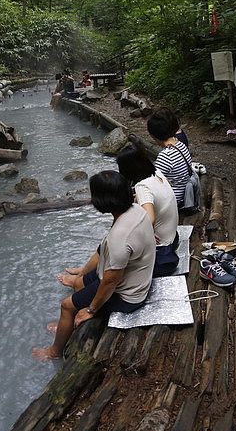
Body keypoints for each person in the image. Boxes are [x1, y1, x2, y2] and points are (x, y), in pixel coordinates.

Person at [32, 171, 156, 361]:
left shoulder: (120, 237)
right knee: (78, 284)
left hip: (127, 295)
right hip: (133, 278)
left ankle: (53, 352)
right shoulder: (136, 210)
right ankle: (65, 325)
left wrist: (91, 310)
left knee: (66, 306)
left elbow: (111, 280)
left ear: (101, 200)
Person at [117, 142, 179, 276]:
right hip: (174, 238)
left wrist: (147, 233)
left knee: (115, 251)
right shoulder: (157, 173)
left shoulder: (142, 187)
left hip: (162, 250)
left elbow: (150, 218)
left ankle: (84, 276)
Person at [147, 109, 193, 208]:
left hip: (173, 201)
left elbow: (153, 184)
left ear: (153, 135)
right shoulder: (180, 144)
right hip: (183, 193)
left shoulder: (166, 156)